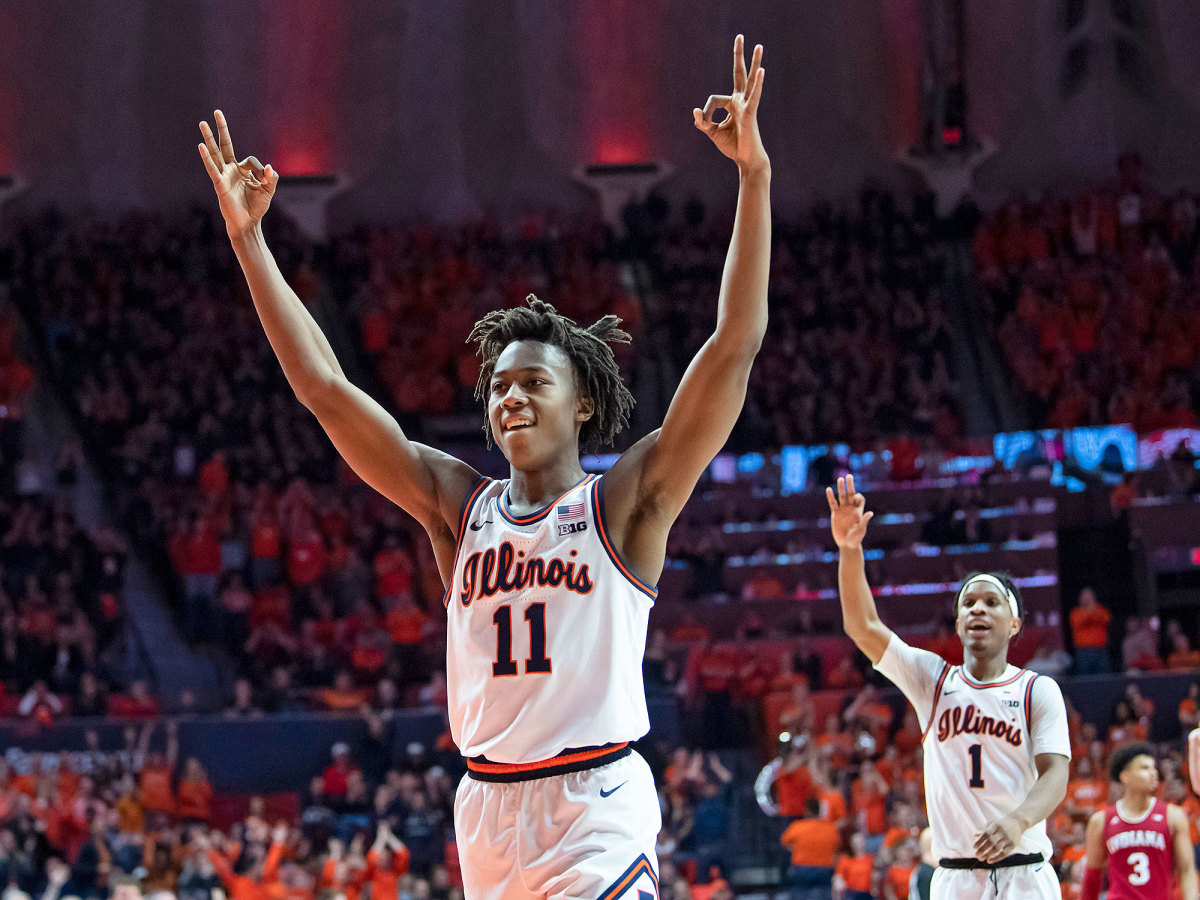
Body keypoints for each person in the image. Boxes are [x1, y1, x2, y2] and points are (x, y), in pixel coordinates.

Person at [198, 33, 771, 900]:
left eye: (533, 382)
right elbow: (323, 388)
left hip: (595, 802)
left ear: (581, 403)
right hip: (487, 814)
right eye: (498, 385)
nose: (508, 397)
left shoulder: (624, 504)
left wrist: (753, 179)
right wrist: (250, 242)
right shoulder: (457, 508)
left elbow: (733, 348)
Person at [827, 475, 1070, 900]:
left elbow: (1056, 773)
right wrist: (850, 549)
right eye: (968, 603)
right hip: (955, 878)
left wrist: (1018, 821)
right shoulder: (933, 680)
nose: (978, 608)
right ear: (958, 625)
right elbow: (862, 627)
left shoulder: (1037, 689)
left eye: (991, 602)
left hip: (1026, 874)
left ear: (1014, 624)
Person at [1080, 742, 1197, 900]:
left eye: (1153, 767)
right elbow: (1092, 879)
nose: (1153, 773)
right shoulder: (1101, 820)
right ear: (1125, 776)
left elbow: (1187, 870)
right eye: (1144, 768)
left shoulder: (1173, 815)